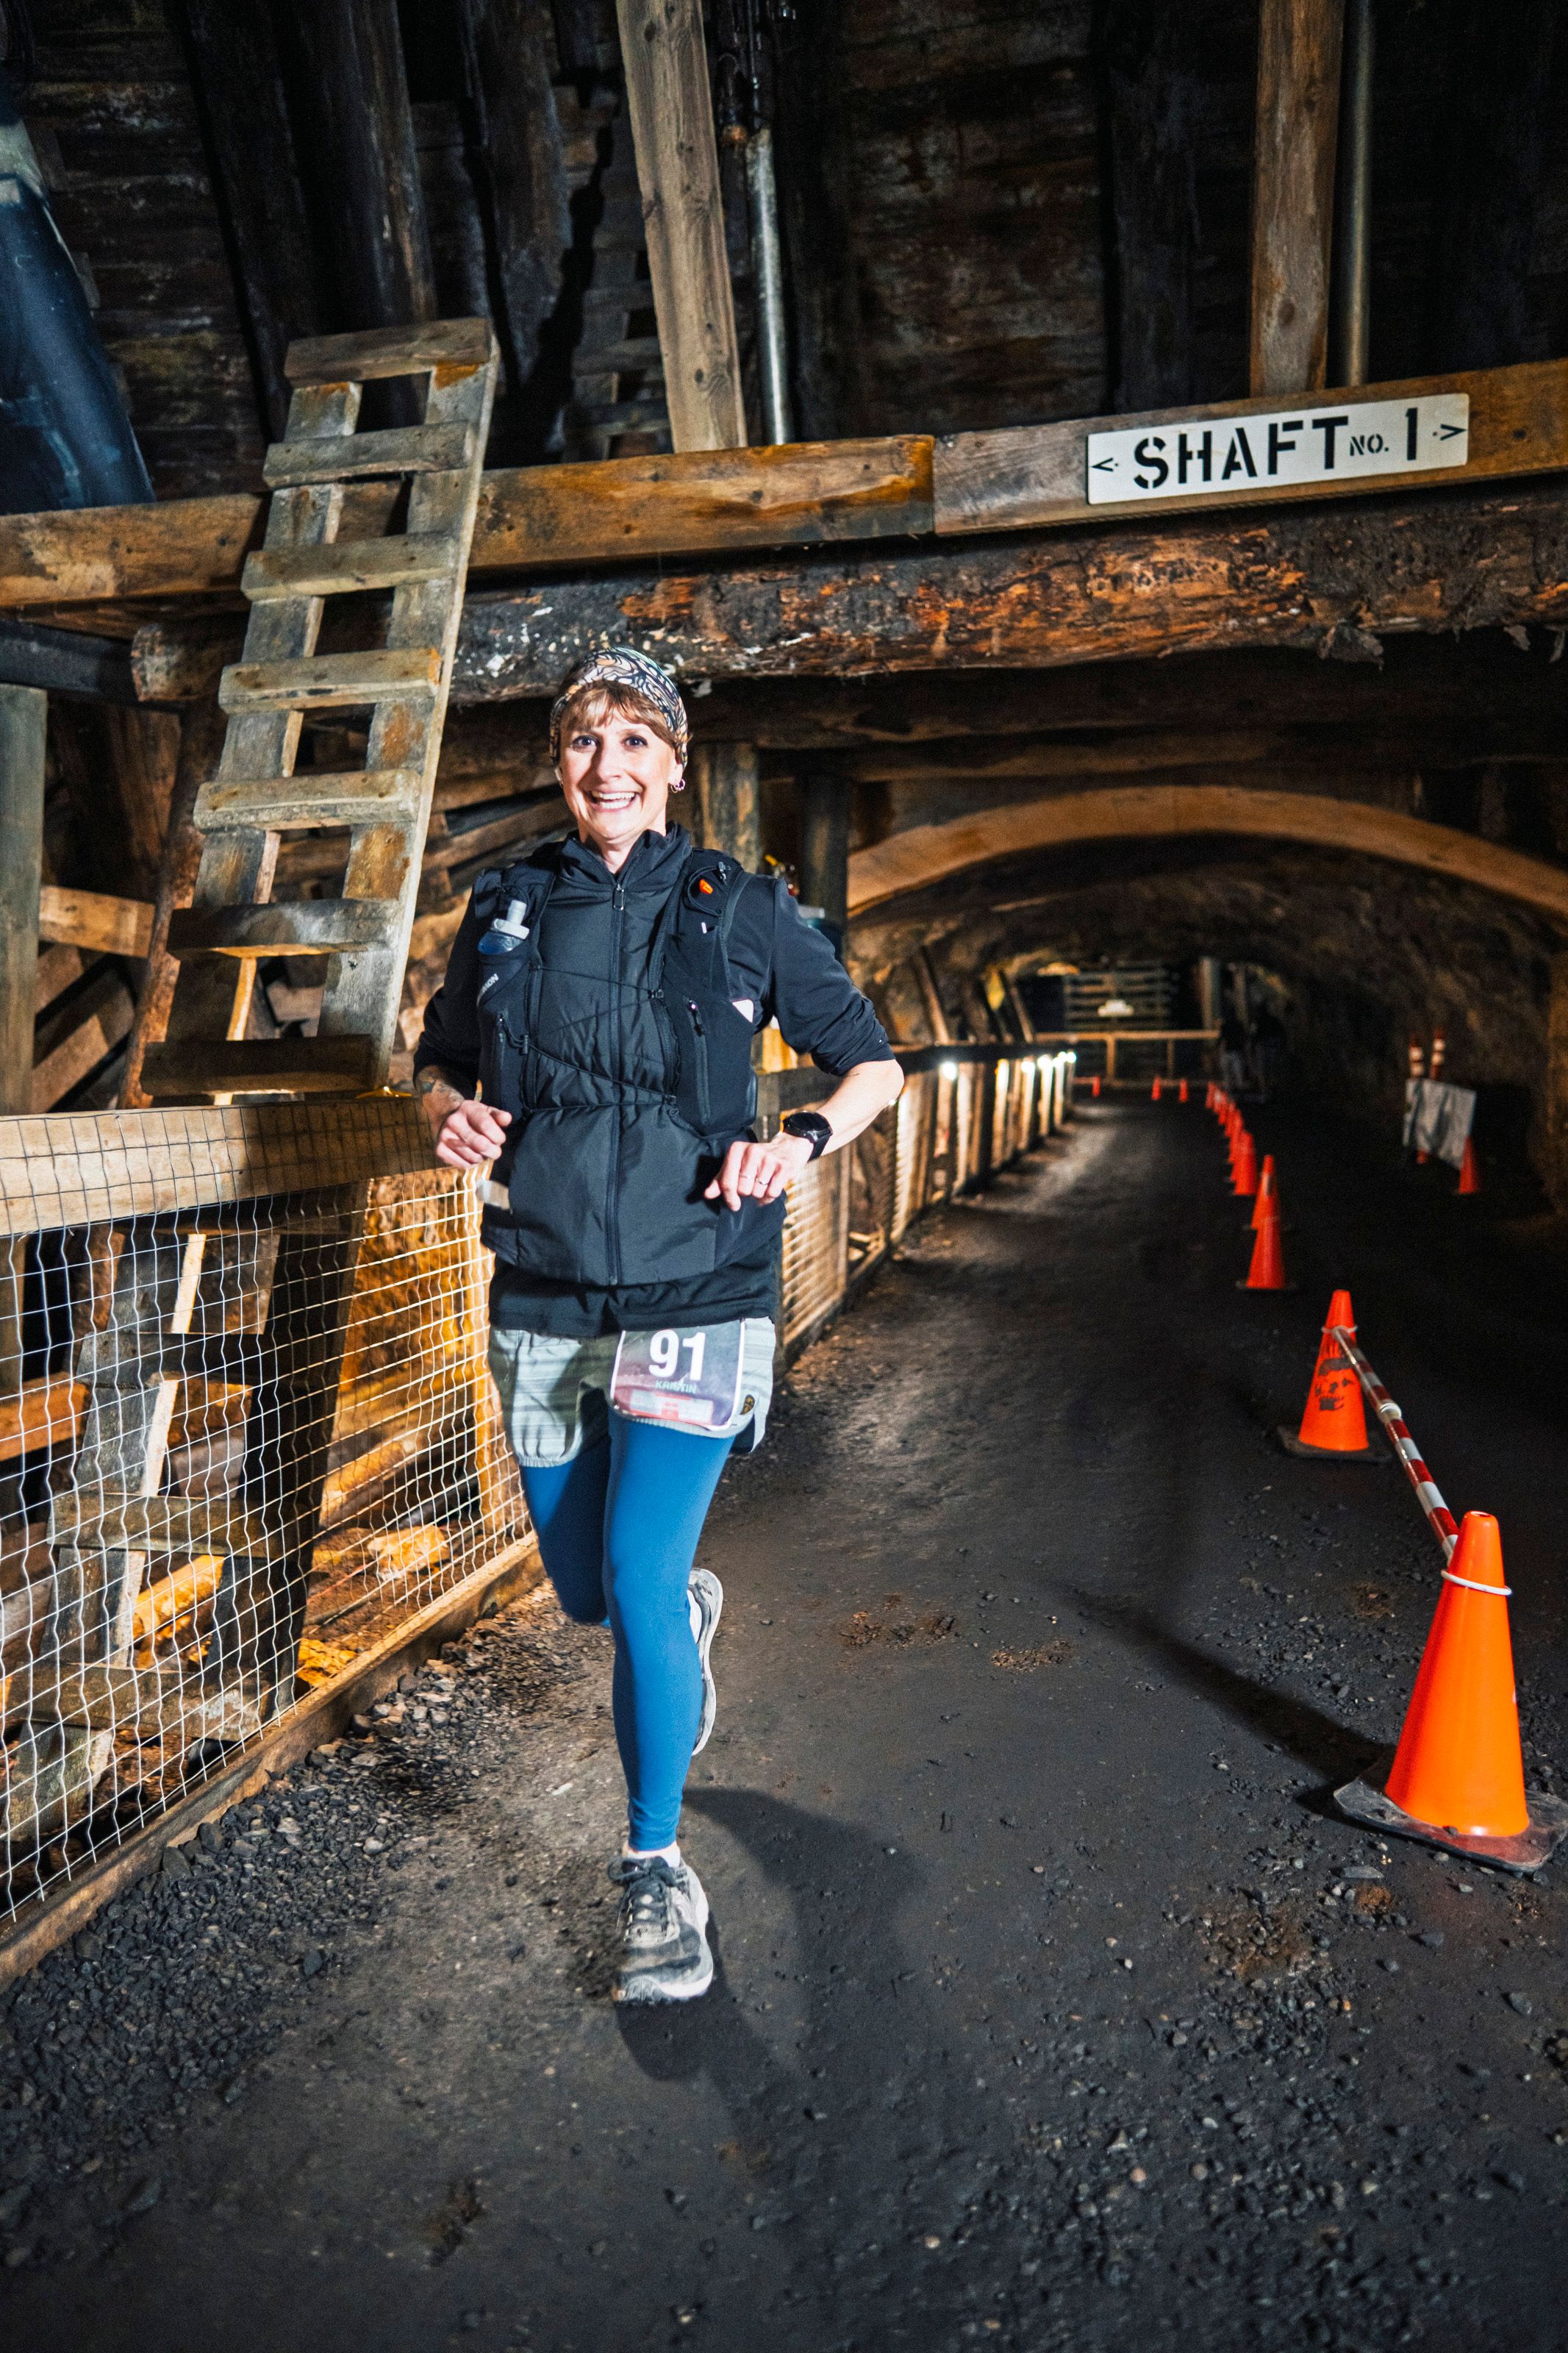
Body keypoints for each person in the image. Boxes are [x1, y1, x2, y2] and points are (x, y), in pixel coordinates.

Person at [412, 647, 903, 2003]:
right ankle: (676, 1610)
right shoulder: (505, 911)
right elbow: (438, 1057)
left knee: (627, 1582)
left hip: (700, 1282)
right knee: (587, 1593)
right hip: (548, 1281)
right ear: (557, 764)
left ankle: (650, 1871)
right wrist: (438, 1113)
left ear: (675, 764)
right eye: (584, 743)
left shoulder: (740, 909)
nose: (608, 768)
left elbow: (873, 1064)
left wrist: (797, 1138)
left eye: (636, 743)